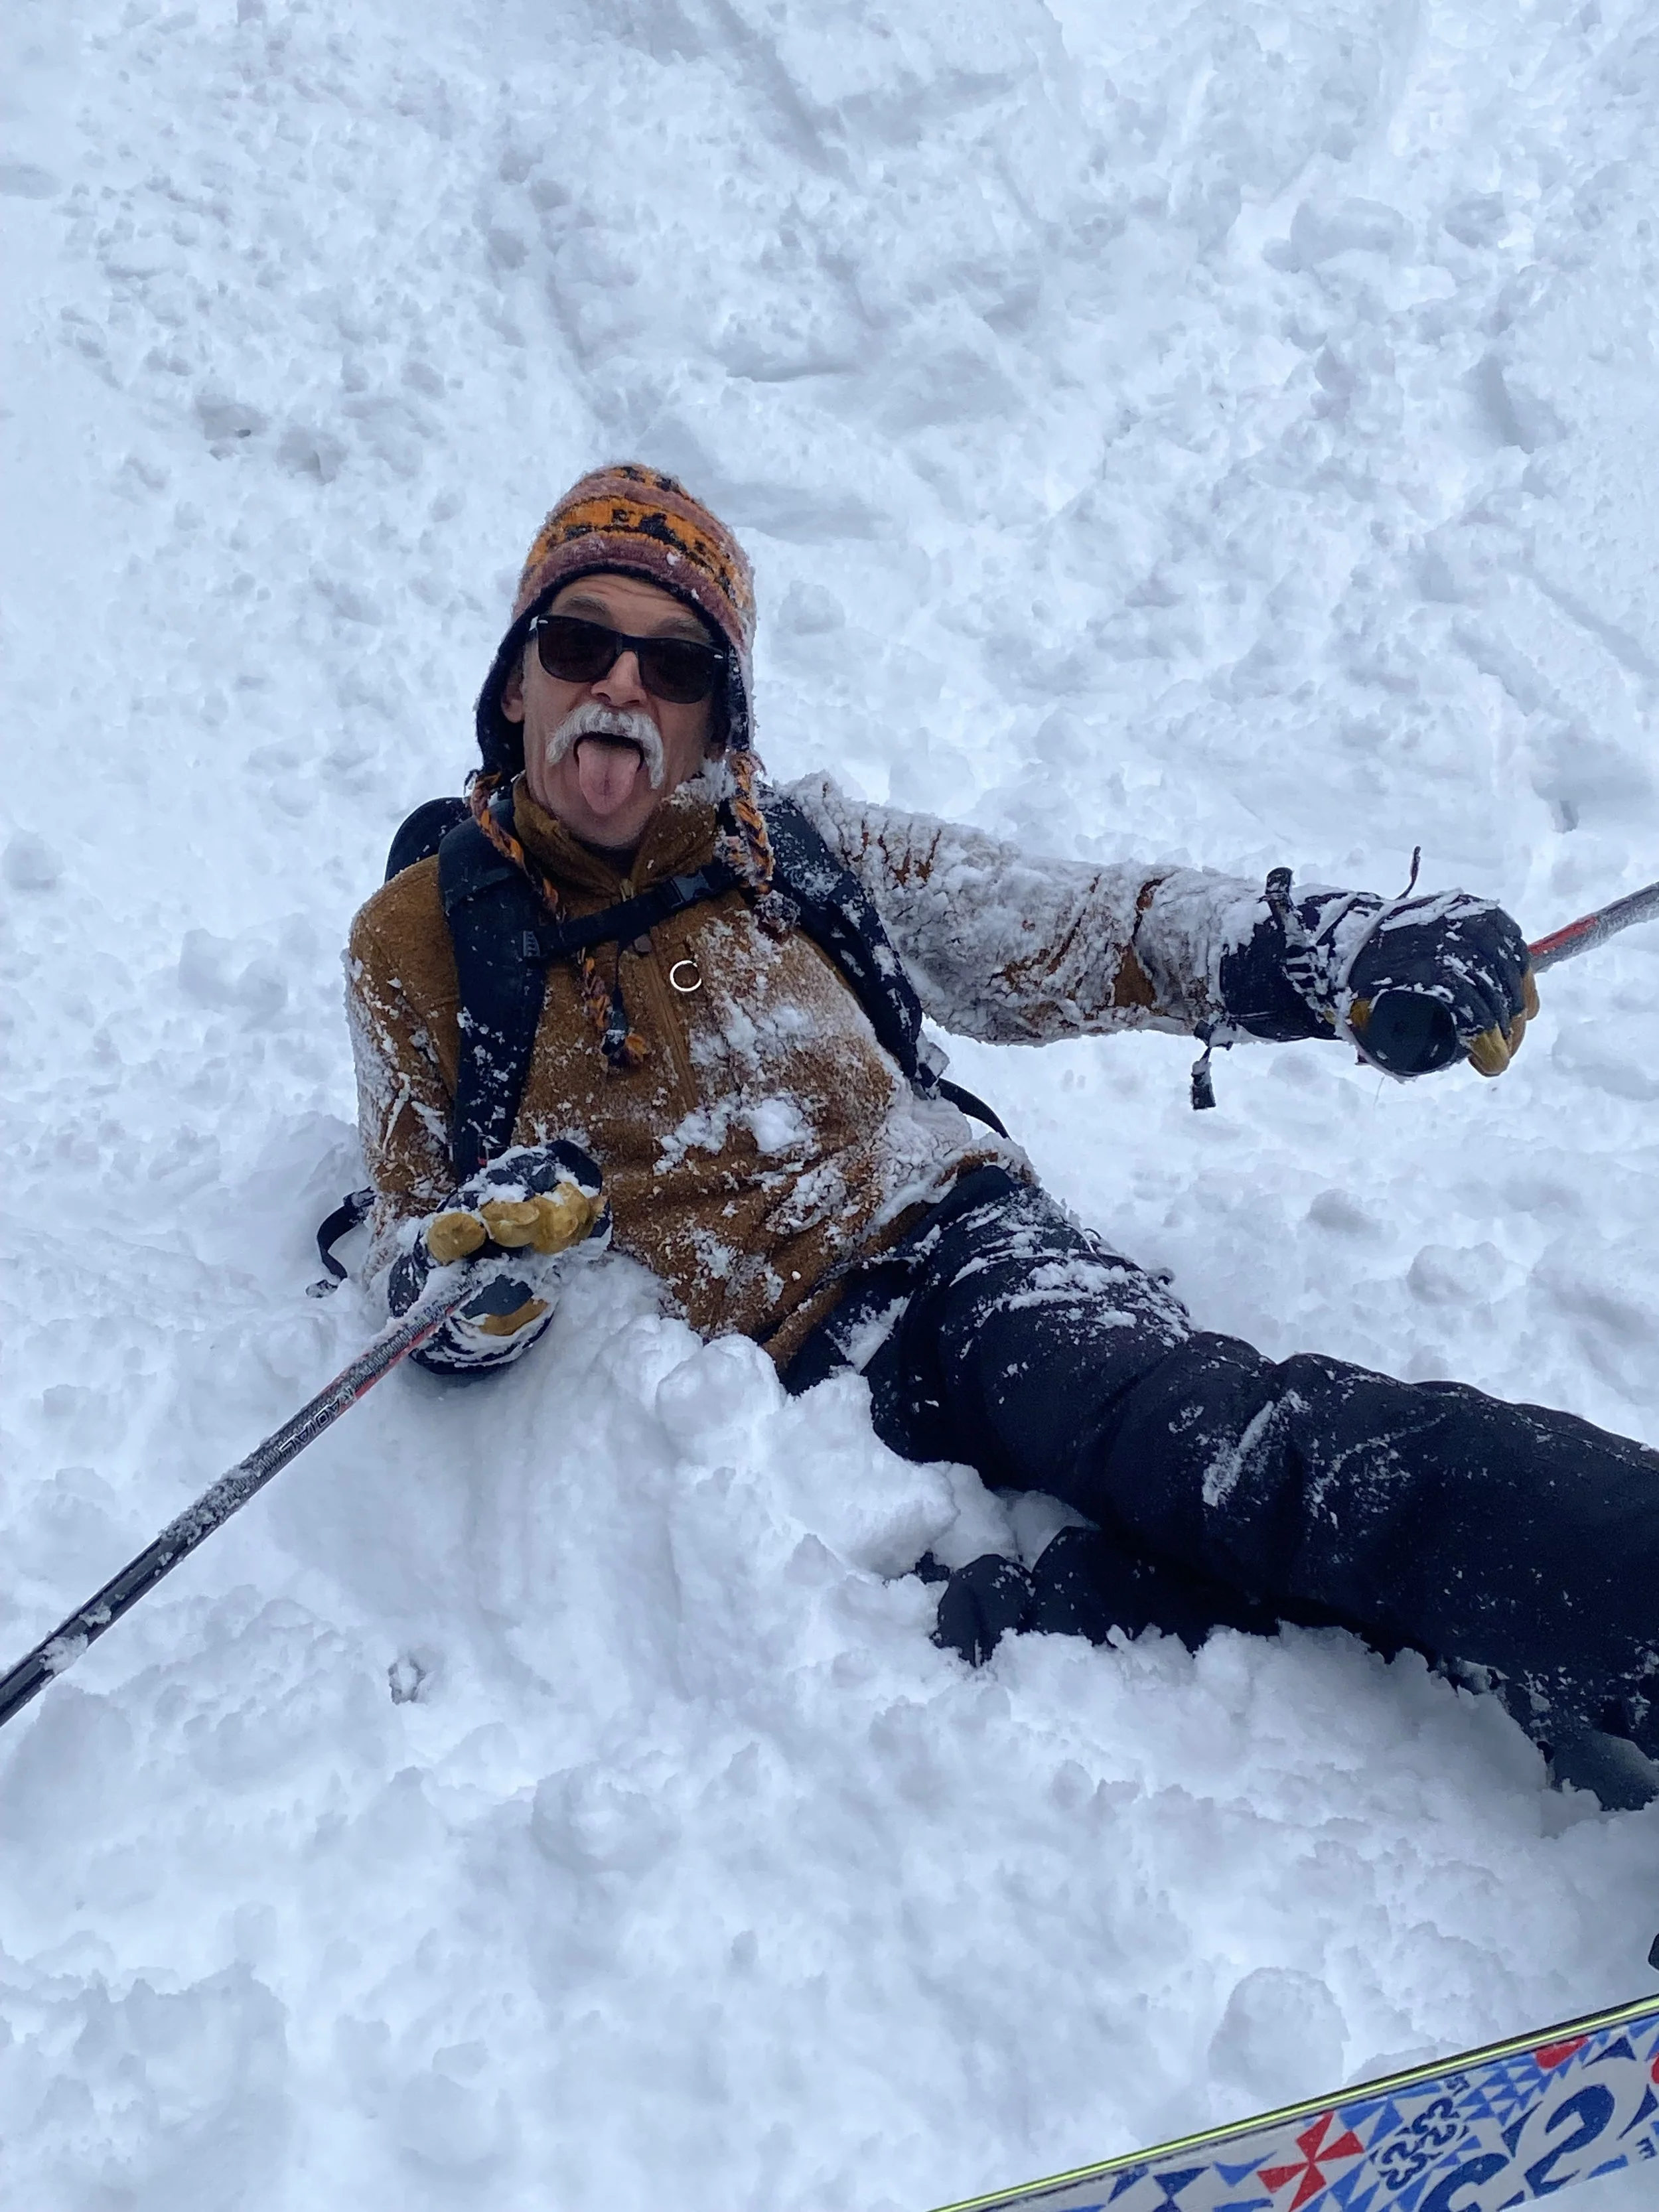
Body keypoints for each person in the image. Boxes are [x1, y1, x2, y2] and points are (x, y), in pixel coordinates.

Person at [345, 463, 1658, 1793]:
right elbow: (416, 1256)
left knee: (1227, 1460)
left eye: (674, 665)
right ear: (518, 682)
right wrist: (484, 1283)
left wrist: (1323, 949)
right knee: (1028, 1647)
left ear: (715, 719)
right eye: (580, 644)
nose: (622, 684)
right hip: (787, 1416)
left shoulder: (797, 846)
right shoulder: (423, 943)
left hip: (971, 1265)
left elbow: (1077, 928)